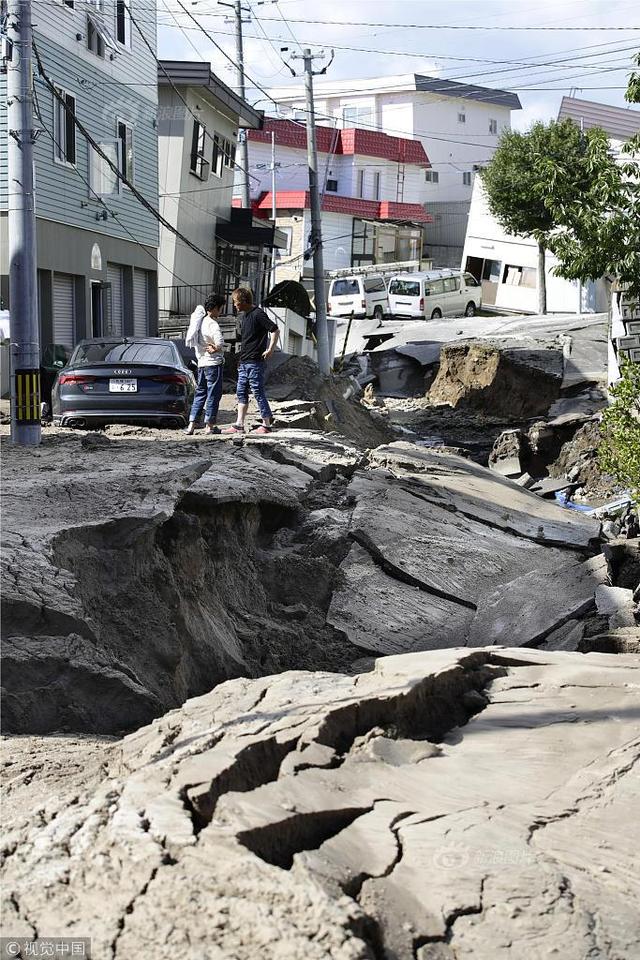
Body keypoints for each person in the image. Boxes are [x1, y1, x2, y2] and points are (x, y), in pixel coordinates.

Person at [223, 287, 279, 435]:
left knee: (257, 391)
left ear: (243, 301)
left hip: (255, 361)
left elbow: (274, 329)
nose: (234, 305)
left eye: (235, 302)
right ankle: (239, 424)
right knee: (241, 391)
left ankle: (266, 425)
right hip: (244, 361)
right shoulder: (245, 316)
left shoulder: (258, 314)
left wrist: (270, 349)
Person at [184, 293, 225, 435]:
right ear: (214, 308)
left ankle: (191, 425)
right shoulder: (212, 323)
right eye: (220, 309)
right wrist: (216, 348)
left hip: (201, 364)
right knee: (213, 394)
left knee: (200, 393)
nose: (220, 312)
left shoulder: (198, 323)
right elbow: (219, 342)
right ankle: (209, 426)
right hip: (213, 364)